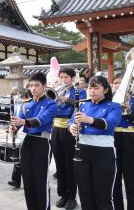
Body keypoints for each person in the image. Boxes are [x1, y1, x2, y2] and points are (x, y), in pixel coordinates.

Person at [68, 75, 121, 210]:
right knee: (85, 195)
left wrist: (89, 120)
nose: (91, 91)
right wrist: (72, 127)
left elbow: (110, 124)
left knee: (103, 197)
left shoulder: (114, 106)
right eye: (90, 87)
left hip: (103, 153)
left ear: (105, 90)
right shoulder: (83, 104)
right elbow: (71, 121)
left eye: (96, 88)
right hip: (81, 151)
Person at [11, 72, 58, 210]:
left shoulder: (51, 104)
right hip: (28, 142)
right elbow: (19, 122)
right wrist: (14, 127)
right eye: (31, 86)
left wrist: (23, 121)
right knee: (28, 179)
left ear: (44, 86)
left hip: (42, 143)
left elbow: (41, 120)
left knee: (41, 180)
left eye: (36, 85)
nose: (33, 89)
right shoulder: (26, 104)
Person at [52, 68, 86, 209]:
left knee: (69, 164)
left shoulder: (80, 92)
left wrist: (66, 99)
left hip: (69, 130)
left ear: (72, 78)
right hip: (56, 130)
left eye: (66, 77)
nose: (63, 80)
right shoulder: (57, 91)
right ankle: (63, 195)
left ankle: (71, 197)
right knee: (59, 164)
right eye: (61, 77)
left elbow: (81, 105)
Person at [113, 73, 134, 210]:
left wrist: (129, 108)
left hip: (129, 139)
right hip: (112, 138)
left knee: (131, 178)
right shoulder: (109, 101)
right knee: (114, 178)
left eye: (121, 83)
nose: (118, 86)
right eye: (115, 83)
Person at [7, 88, 32, 189]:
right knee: (18, 158)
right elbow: (18, 119)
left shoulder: (33, 105)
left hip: (30, 134)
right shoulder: (21, 105)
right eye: (23, 98)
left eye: (26, 98)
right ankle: (15, 180)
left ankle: (25, 180)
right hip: (20, 133)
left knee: (25, 160)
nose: (24, 100)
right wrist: (14, 128)